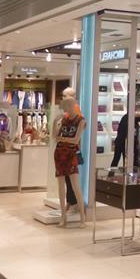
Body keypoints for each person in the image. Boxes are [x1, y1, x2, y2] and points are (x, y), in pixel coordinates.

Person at [53, 97, 87, 227]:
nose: (65, 108)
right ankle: (63, 217)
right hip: (59, 154)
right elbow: (55, 137)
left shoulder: (81, 120)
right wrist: (54, 122)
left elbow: (76, 140)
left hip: (71, 154)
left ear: (72, 105)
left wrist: (63, 139)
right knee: (61, 187)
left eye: (67, 105)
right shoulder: (63, 120)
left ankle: (83, 218)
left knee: (75, 186)